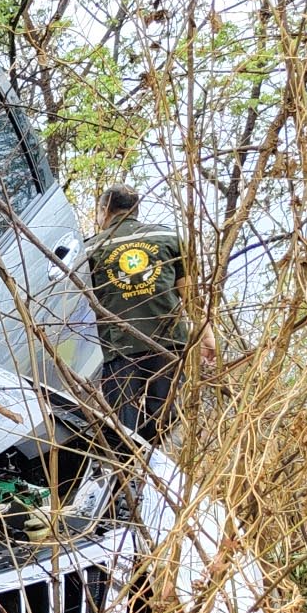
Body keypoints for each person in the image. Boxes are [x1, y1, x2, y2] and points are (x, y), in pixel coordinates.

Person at [85, 184, 216, 443]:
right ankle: (149, 456)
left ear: (104, 211)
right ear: (136, 209)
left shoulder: (91, 249)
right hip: (167, 342)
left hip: (119, 348)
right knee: (166, 415)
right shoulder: (169, 238)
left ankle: (132, 468)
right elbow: (189, 293)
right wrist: (206, 334)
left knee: (123, 426)